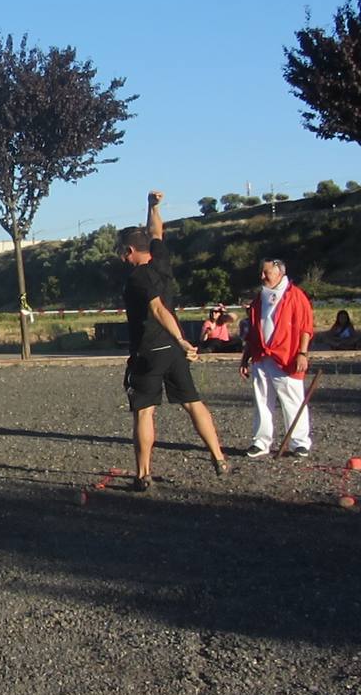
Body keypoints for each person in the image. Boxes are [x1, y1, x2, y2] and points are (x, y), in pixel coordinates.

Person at [119, 190, 230, 491]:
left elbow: (158, 309)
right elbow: (156, 231)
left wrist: (181, 339)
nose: (121, 257)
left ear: (130, 251)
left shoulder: (138, 277)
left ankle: (143, 475)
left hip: (151, 349)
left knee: (144, 411)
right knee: (193, 402)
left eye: (122, 252)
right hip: (172, 352)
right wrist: (153, 206)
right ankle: (219, 457)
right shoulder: (162, 260)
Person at [240, 259, 314, 458]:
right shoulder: (259, 299)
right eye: (262, 273)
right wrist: (245, 358)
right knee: (262, 400)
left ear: (279, 272)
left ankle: (300, 442)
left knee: (293, 399)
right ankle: (261, 442)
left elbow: (306, 328)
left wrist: (302, 353)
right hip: (261, 356)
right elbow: (253, 331)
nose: (262, 277)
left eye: (266, 273)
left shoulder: (296, 296)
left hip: (287, 356)